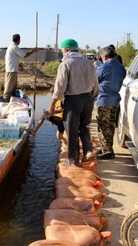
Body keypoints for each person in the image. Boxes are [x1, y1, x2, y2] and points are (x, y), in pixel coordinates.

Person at [49, 38, 99, 166]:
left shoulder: (66, 64)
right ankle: (88, 152)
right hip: (88, 99)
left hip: (73, 101)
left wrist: (53, 104)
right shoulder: (89, 63)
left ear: (66, 50)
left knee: (71, 131)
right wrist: (91, 98)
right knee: (84, 127)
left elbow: (60, 87)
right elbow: (96, 85)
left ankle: (73, 160)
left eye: (62, 51)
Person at [95, 46, 126, 159]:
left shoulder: (104, 67)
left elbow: (95, 80)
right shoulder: (121, 67)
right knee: (111, 124)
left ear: (104, 56)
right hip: (115, 99)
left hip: (104, 99)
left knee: (104, 125)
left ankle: (108, 151)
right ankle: (105, 147)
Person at [3, 34, 38, 102]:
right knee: (8, 88)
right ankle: (5, 101)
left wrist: (19, 65)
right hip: (11, 71)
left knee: (13, 88)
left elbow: (13, 58)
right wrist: (33, 51)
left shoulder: (12, 47)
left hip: (13, 70)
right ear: (18, 40)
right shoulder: (14, 47)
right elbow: (24, 55)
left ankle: (11, 100)